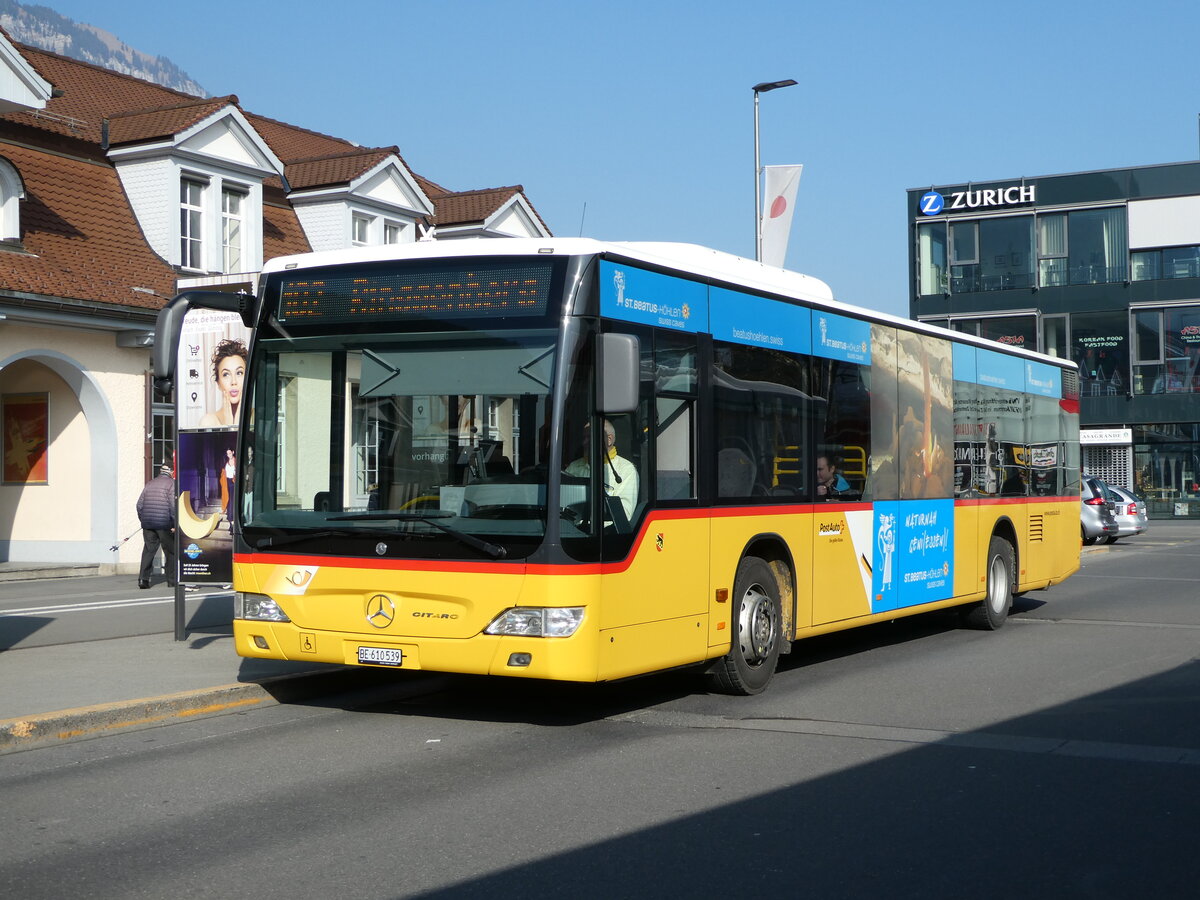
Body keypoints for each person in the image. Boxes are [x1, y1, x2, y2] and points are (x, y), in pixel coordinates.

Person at [565, 419, 638, 521]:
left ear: (609, 439)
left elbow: (624, 514)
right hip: (573, 530)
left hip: (606, 533)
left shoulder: (626, 470)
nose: (584, 443)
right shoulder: (573, 467)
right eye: (584, 438)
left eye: (590, 437)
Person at [136, 464, 176, 589]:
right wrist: (174, 523)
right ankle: (172, 580)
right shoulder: (171, 484)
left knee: (148, 550)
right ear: (171, 472)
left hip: (148, 523)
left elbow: (139, 505)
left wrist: (143, 519)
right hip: (164, 523)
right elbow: (173, 506)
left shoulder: (149, 484)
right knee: (170, 551)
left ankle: (143, 579)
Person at [198, 338, 247, 428]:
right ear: (218, 383)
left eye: (239, 373)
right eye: (226, 374)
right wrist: (231, 427)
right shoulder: (209, 422)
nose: (233, 382)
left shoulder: (260, 418)